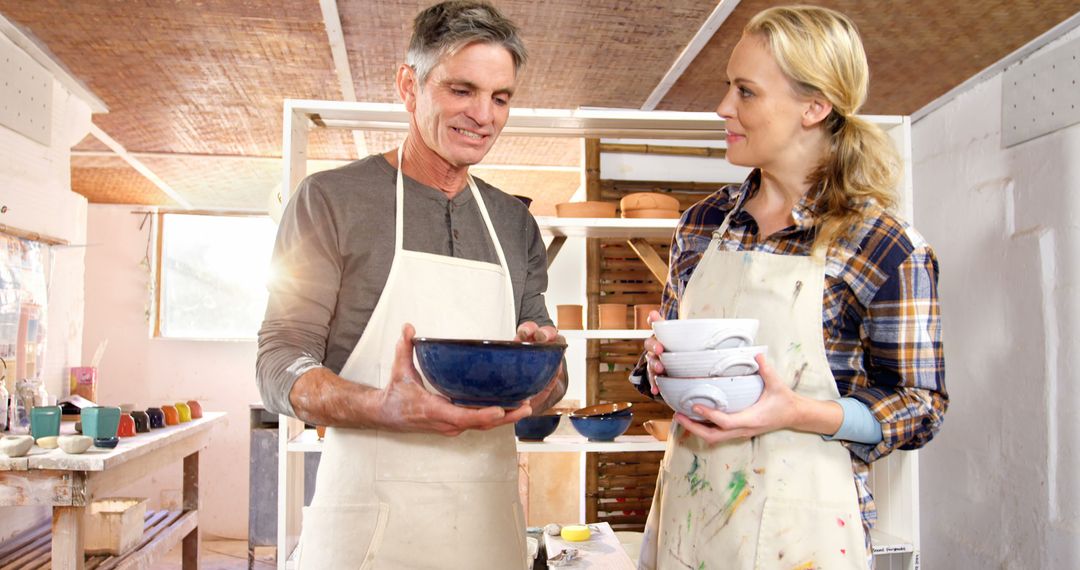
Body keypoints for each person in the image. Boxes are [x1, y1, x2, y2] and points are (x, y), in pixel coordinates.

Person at [634, 6, 947, 569]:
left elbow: (921, 406)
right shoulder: (703, 224)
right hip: (691, 517)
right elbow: (663, 376)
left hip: (803, 532)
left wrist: (798, 411)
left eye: (746, 92)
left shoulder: (883, 245)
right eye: (728, 88)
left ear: (815, 106)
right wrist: (663, 363)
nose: (723, 107)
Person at [256, 2, 566, 568]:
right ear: (409, 84)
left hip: (487, 535)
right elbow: (279, 363)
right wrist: (383, 406)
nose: (483, 115)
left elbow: (551, 373)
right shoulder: (330, 200)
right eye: (461, 90)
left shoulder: (514, 223)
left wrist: (545, 372)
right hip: (364, 536)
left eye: (500, 98)